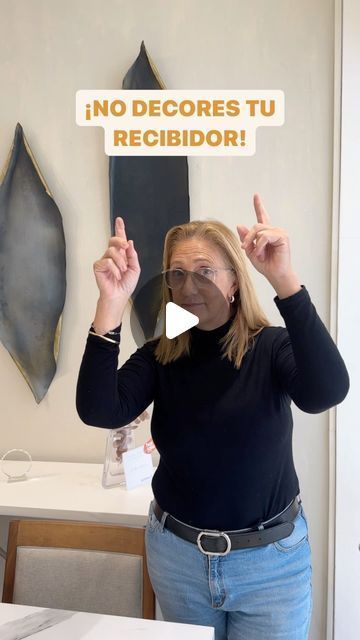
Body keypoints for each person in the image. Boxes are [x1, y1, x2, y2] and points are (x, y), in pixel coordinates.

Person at [76, 193, 349, 640]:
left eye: (205, 272)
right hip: (179, 558)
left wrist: (284, 279)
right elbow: (99, 409)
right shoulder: (161, 356)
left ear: (235, 282)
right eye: (178, 275)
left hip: (270, 565)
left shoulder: (270, 346)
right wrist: (111, 303)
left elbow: (326, 392)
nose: (189, 287)